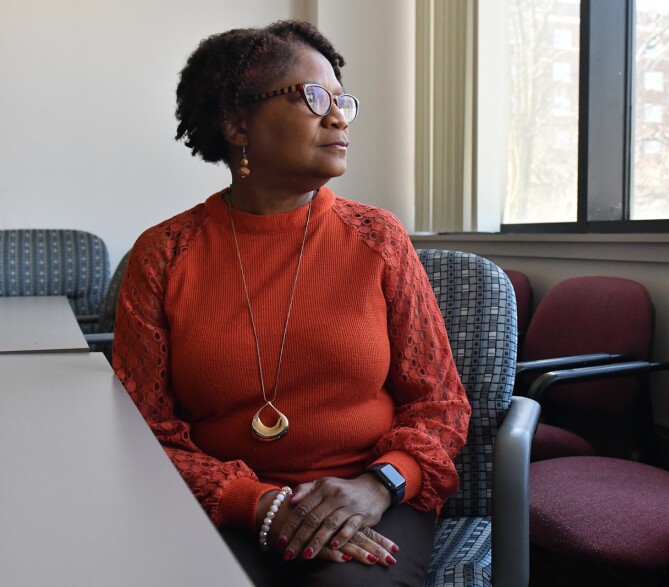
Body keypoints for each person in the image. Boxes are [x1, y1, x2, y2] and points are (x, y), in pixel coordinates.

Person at [112, 20, 471, 587]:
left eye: (342, 100)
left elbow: (440, 404)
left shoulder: (377, 237)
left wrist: (380, 484)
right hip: (222, 504)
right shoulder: (163, 254)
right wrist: (257, 504)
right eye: (312, 97)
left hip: (369, 498)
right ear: (236, 122)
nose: (339, 117)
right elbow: (142, 427)